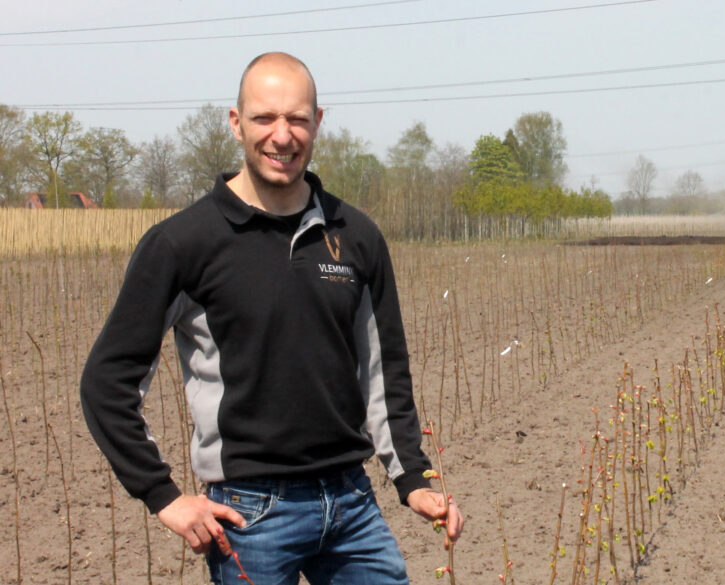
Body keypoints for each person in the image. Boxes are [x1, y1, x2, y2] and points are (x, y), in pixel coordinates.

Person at [80, 52, 463, 585]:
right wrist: (162, 495)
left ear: (318, 123)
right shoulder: (182, 243)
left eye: (297, 119)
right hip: (250, 514)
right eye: (264, 118)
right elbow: (107, 381)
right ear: (236, 123)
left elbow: (384, 372)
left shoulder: (356, 236)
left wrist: (413, 478)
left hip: (352, 504)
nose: (282, 136)